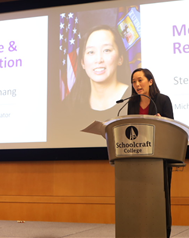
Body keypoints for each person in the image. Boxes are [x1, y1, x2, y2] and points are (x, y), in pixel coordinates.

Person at [127, 68, 174, 238]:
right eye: (134, 82)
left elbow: (172, 130)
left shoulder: (162, 100)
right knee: (138, 199)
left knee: (160, 200)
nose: (137, 85)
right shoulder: (131, 103)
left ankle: (163, 233)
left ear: (150, 81)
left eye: (140, 80)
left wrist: (163, 122)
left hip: (160, 158)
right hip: (138, 157)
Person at [69, 25, 130, 114]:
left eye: (106, 50)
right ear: (82, 63)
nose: (99, 60)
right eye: (91, 52)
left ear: (120, 59)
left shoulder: (138, 99)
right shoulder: (71, 105)